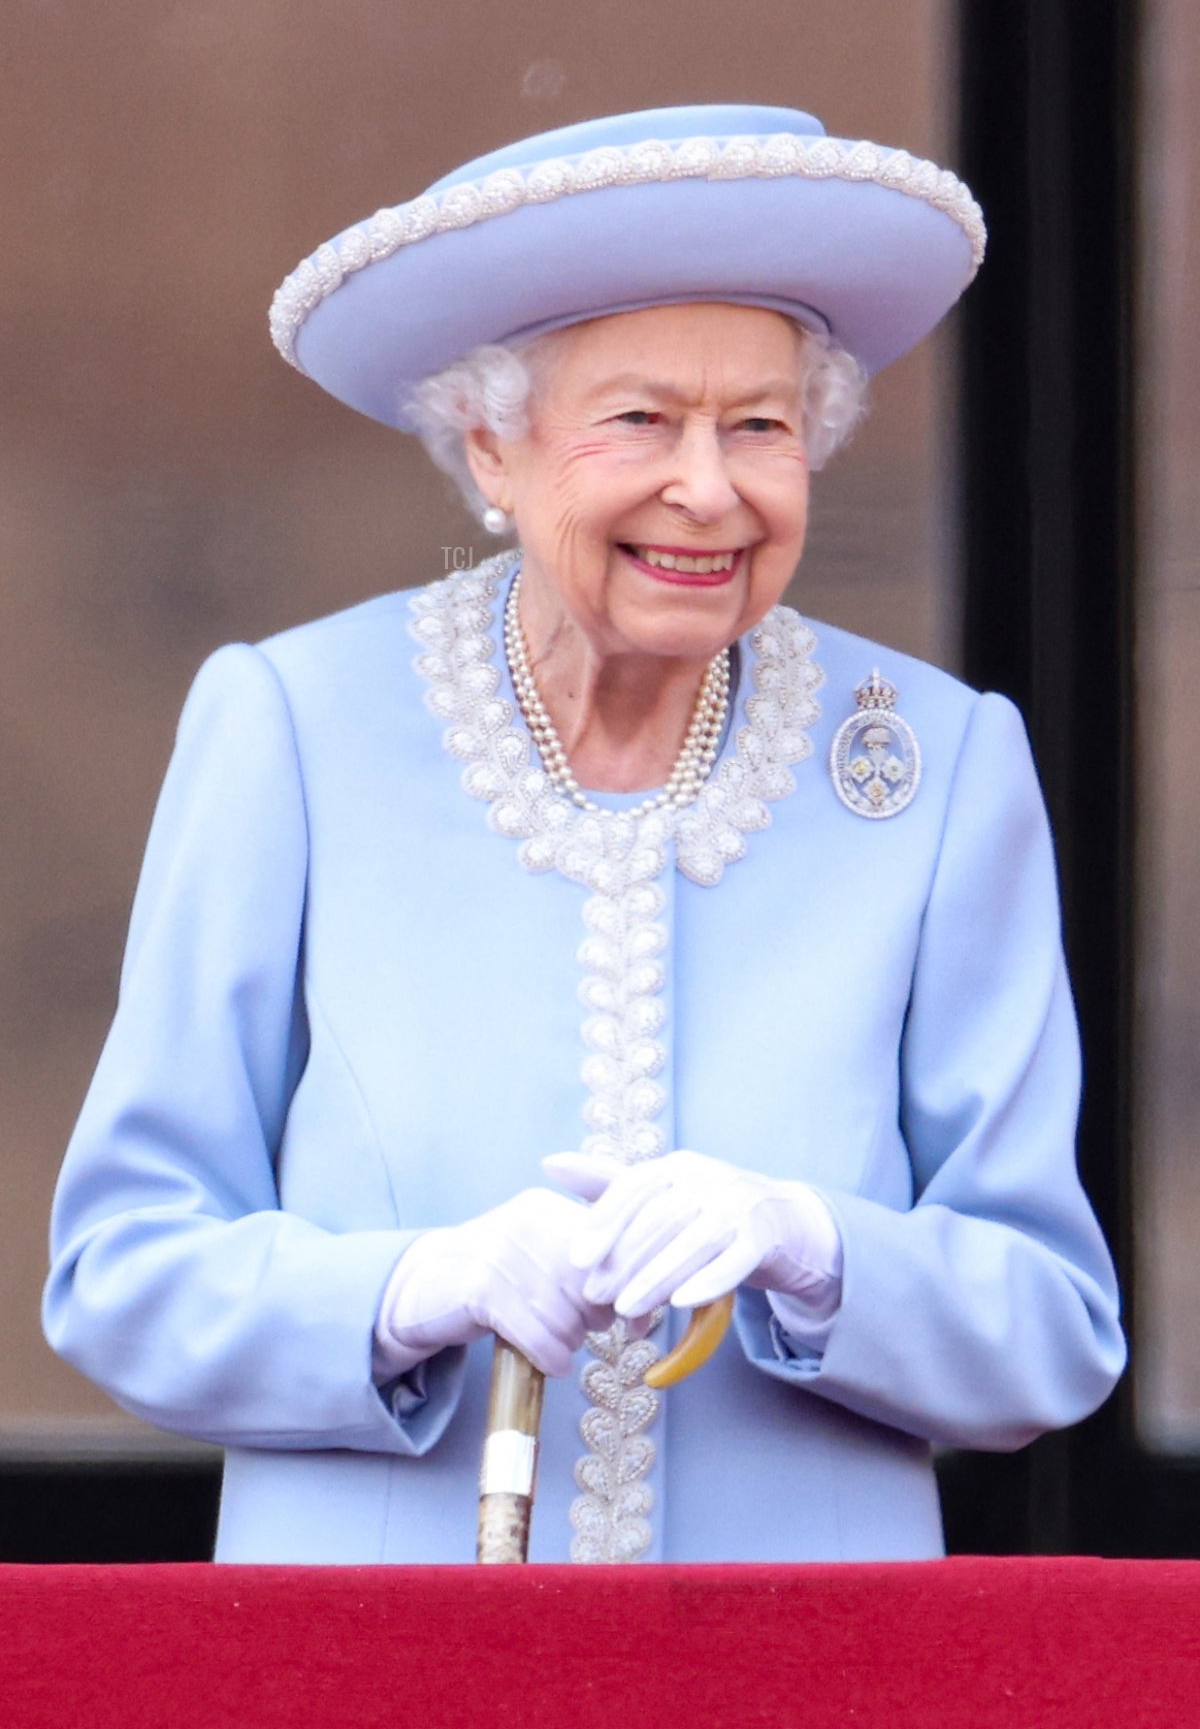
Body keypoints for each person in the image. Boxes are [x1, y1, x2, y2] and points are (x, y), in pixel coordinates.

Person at [43, 104, 1125, 1565]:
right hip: (376, 1660)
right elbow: (121, 1275)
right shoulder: (294, 726)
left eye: (762, 426)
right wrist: (413, 1286)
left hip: (806, 1666)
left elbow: (1053, 1327)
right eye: (639, 421)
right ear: (491, 448)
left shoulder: (937, 765)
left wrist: (818, 1250)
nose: (710, 486)